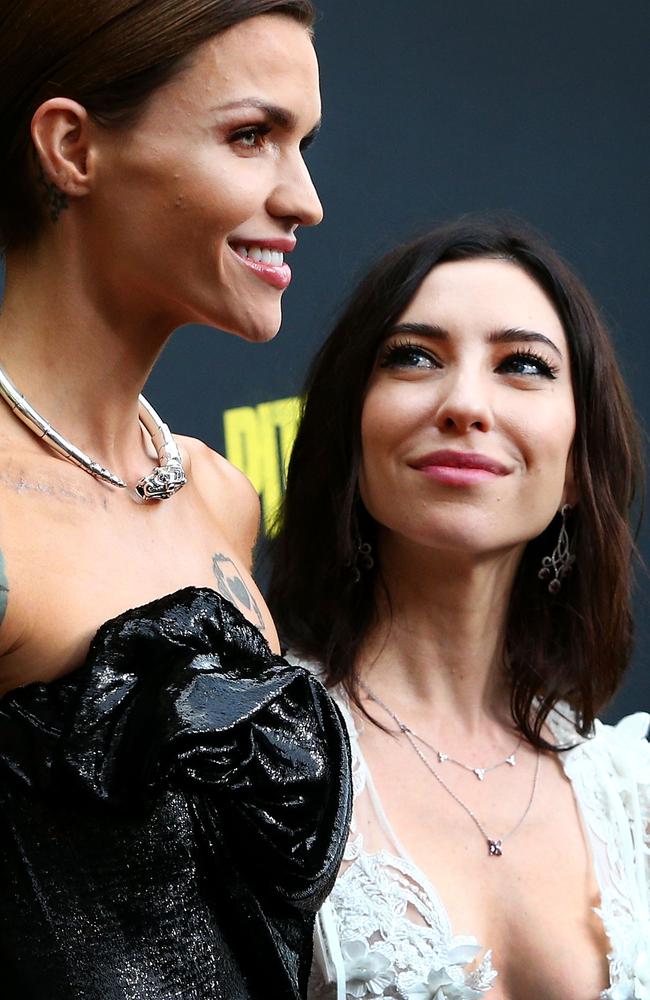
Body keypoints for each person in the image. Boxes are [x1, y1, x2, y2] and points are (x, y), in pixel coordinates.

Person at [0, 2, 351, 998]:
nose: (306, 199)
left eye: (303, 143)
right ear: (72, 147)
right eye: (250, 136)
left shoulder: (220, 497)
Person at [268, 217, 650, 1000]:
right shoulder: (258, 757)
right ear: (352, 429)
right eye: (414, 357)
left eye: (523, 365)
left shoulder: (633, 794)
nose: (465, 402)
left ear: (578, 463)